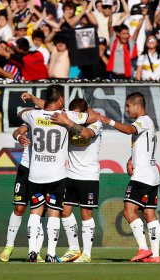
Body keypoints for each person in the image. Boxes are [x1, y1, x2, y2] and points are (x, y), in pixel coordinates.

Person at [18, 85, 92, 262]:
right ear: (60, 100)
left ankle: (32, 252)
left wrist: (34, 104)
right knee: (53, 213)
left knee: (35, 212)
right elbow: (92, 117)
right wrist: (69, 120)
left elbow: (21, 113)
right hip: (56, 176)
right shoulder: (67, 116)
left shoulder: (32, 115)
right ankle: (51, 253)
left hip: (35, 174)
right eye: (63, 99)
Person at [98, 92, 160, 263]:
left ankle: (143, 248)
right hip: (151, 174)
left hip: (143, 176)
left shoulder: (143, 121)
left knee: (128, 210)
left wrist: (108, 121)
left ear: (137, 106)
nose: (126, 110)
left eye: (128, 106)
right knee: (149, 214)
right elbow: (143, 147)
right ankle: (154, 256)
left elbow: (128, 130)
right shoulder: (146, 123)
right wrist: (130, 159)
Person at [51, 98, 103, 263]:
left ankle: (86, 253)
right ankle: (74, 249)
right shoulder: (67, 124)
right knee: (64, 211)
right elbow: (47, 109)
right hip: (70, 174)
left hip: (88, 176)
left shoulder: (97, 124)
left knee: (85, 214)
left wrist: (67, 121)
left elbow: (86, 134)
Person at [0, 124, 45, 263]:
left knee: (40, 212)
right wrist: (19, 137)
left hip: (45, 171)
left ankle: (36, 251)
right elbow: (17, 131)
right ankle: (8, 247)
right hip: (26, 168)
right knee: (19, 208)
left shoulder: (58, 117)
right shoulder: (32, 116)